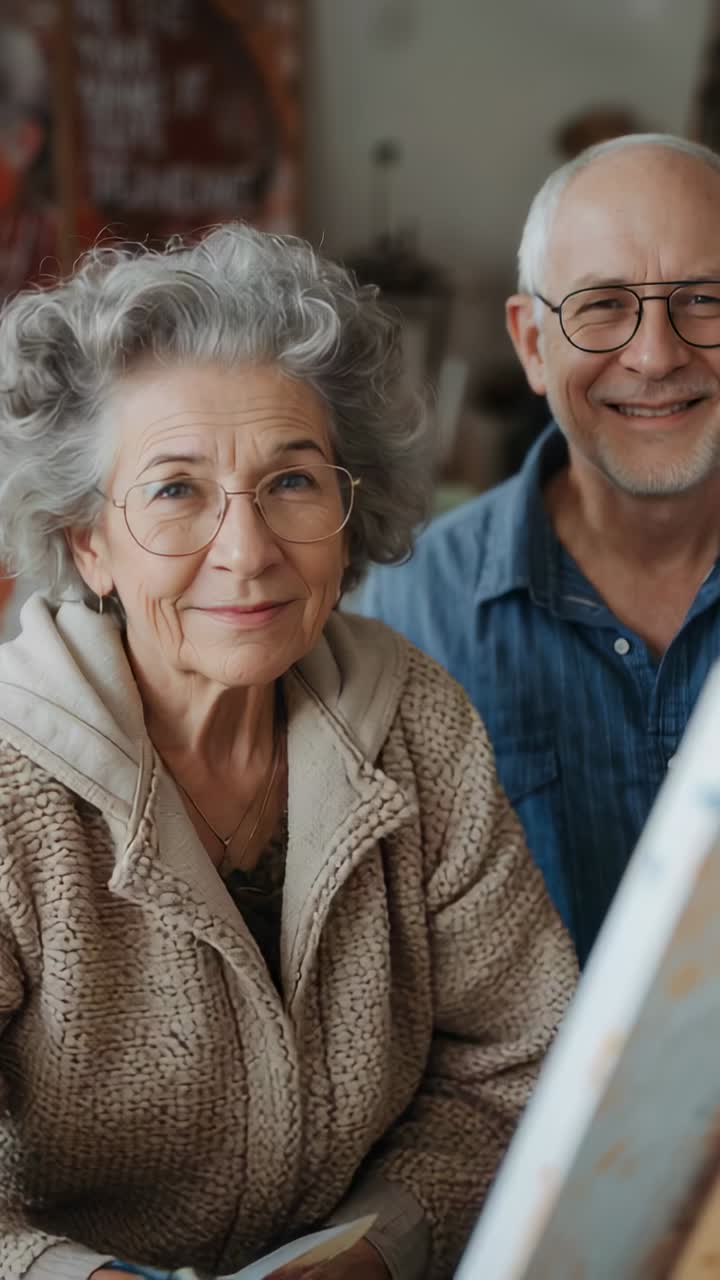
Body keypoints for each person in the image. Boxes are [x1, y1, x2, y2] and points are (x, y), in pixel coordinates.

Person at [0, 224, 575, 1280]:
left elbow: (522, 1064)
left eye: (292, 481)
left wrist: (373, 1250)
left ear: (350, 511)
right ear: (89, 539)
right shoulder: (6, 787)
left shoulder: (417, 727)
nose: (249, 548)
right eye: (176, 489)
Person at [357, 133, 720, 967]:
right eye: (601, 306)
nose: (658, 354)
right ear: (530, 344)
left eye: (703, 298)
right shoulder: (410, 615)